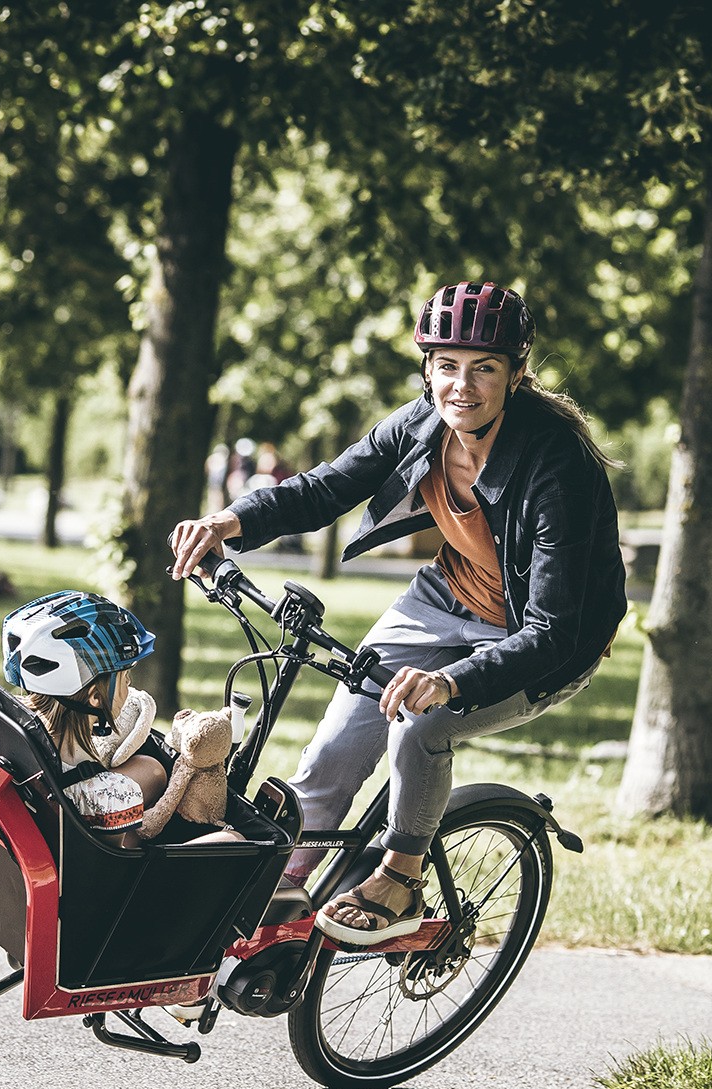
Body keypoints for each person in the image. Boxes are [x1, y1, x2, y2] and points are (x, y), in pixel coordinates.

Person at [170, 279, 628, 945]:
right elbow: (325, 486)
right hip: (442, 601)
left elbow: (550, 631)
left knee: (421, 724)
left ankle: (401, 876)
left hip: (541, 640)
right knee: (329, 754)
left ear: (517, 374)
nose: (461, 387)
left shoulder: (556, 467)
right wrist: (229, 521)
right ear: (426, 367)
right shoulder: (419, 423)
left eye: (484, 369)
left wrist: (451, 681)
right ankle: (279, 900)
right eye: (446, 367)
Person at [2, 591, 166, 845]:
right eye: (123, 677)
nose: (129, 684)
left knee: (151, 769)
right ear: (94, 698)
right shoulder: (106, 797)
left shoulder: (7, 731)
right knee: (230, 836)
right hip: (86, 861)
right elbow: (115, 866)